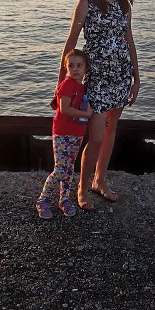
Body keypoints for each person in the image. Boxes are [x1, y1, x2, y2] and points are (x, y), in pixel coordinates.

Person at [56, 0, 140, 211]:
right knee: (96, 137)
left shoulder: (124, 5)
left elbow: (129, 41)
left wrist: (137, 78)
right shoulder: (87, 4)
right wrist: (61, 83)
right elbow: (71, 43)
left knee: (111, 129)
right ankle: (82, 187)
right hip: (98, 79)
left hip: (121, 76)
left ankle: (99, 181)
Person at [36, 49, 93, 219]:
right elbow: (64, 109)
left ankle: (64, 199)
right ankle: (43, 199)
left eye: (79, 65)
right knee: (60, 169)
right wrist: (87, 115)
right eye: (71, 65)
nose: (75, 69)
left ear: (86, 68)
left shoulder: (82, 87)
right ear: (66, 68)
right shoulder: (67, 85)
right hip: (63, 133)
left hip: (77, 133)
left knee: (69, 169)